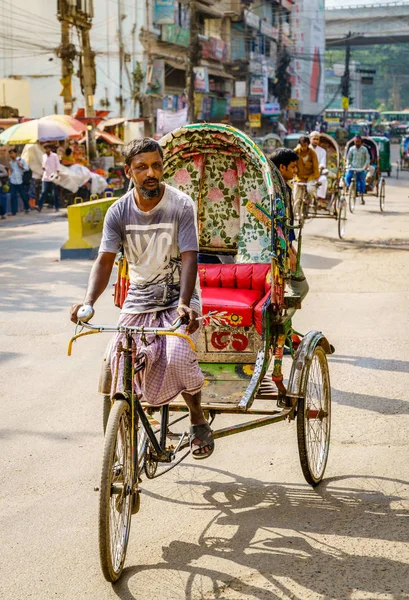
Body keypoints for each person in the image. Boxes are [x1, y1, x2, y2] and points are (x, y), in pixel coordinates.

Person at [69, 138, 214, 459]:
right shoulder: (118, 212)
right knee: (120, 361)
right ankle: (131, 428)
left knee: (177, 354)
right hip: (138, 298)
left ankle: (197, 418)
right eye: (142, 167)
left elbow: (190, 257)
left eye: (156, 165)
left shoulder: (181, 205)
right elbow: (105, 260)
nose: (151, 173)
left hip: (180, 296)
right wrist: (88, 302)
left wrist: (185, 304)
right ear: (128, 172)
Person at [270, 148, 309, 304]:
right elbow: (278, 222)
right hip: (279, 250)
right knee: (301, 288)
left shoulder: (278, 186)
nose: (295, 171)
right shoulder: (279, 189)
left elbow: (285, 221)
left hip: (283, 245)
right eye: (293, 167)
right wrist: (287, 249)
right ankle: (280, 320)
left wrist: (290, 244)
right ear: (282, 167)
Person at [293, 135, 320, 208]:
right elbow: (292, 165)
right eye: (301, 145)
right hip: (299, 177)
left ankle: (314, 199)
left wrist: (316, 178)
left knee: (310, 189)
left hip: (310, 177)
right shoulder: (295, 152)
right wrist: (294, 177)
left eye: (305, 145)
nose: (303, 147)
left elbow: (316, 168)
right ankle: (295, 209)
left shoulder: (312, 153)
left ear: (308, 144)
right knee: (295, 193)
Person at [345, 136, 370, 205]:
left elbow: (367, 159)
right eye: (356, 141)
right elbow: (348, 158)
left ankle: (361, 196)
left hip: (361, 168)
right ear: (354, 142)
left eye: (358, 141)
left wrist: (365, 166)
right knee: (347, 177)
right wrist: (348, 165)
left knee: (362, 182)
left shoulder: (364, 149)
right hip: (352, 167)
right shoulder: (351, 149)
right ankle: (350, 188)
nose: (357, 143)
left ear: (361, 142)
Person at [38, 144, 61, 212]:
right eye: (45, 149)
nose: (46, 150)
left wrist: (57, 173)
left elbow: (57, 165)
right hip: (46, 176)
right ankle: (40, 206)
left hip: (53, 176)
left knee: (55, 192)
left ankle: (57, 207)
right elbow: (43, 165)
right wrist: (43, 167)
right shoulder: (43, 156)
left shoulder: (54, 156)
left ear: (50, 149)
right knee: (43, 191)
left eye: (47, 148)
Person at [8, 147, 30, 215]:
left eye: (12, 153)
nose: (11, 155)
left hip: (20, 181)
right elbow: (11, 170)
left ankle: (27, 208)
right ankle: (13, 211)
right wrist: (10, 177)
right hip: (13, 181)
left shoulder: (21, 160)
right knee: (13, 196)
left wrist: (21, 166)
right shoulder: (11, 162)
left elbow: (27, 168)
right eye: (10, 154)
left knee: (23, 196)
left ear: (15, 153)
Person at [310, 132, 328, 206]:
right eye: (314, 139)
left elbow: (322, 163)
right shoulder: (306, 149)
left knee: (323, 179)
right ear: (310, 139)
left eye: (317, 139)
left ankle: (320, 199)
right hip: (306, 172)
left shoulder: (322, 151)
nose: (315, 141)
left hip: (318, 172)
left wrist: (319, 169)